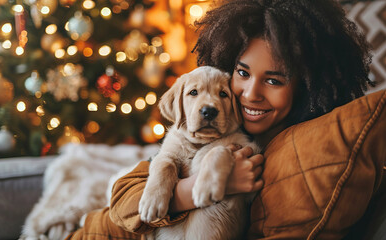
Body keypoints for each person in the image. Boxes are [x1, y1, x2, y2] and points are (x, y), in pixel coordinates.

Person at [66, 0, 372, 239]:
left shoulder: (294, 147)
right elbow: (123, 202)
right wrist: (193, 189)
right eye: (242, 73)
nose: (251, 93)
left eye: (274, 80)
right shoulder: (220, 123)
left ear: (307, 86)